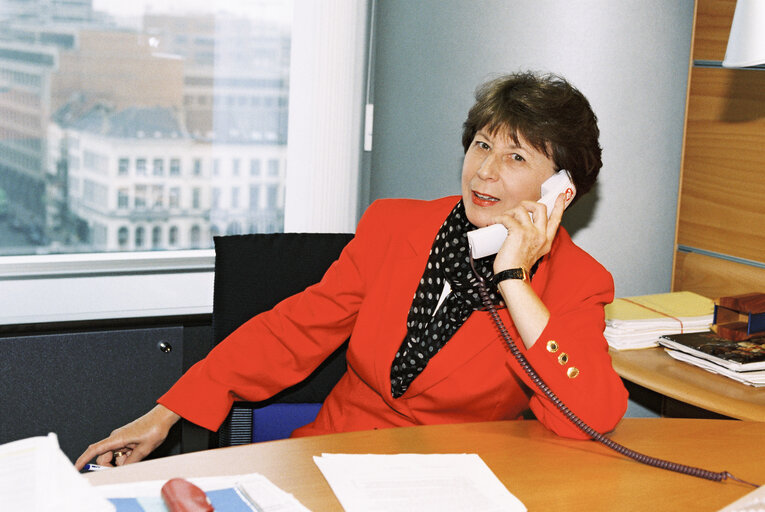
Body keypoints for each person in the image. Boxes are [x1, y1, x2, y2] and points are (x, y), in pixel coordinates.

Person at [75, 71, 628, 470]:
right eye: (482, 144)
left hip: (454, 481)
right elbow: (294, 331)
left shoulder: (577, 282)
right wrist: (168, 412)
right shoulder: (394, 226)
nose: (484, 170)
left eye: (517, 158)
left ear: (561, 190)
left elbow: (590, 417)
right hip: (333, 457)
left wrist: (514, 280)